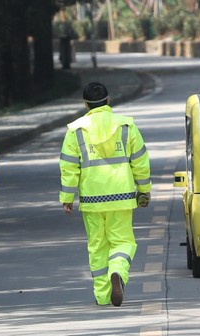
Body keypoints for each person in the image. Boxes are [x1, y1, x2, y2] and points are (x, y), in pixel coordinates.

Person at [60, 81, 152, 307]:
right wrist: (144, 191)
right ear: (108, 100)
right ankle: (118, 270)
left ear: (85, 104)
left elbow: (69, 167)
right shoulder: (126, 126)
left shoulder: (76, 130)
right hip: (121, 197)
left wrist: (67, 197)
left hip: (92, 200)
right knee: (123, 241)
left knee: (97, 246)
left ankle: (102, 296)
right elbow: (140, 161)